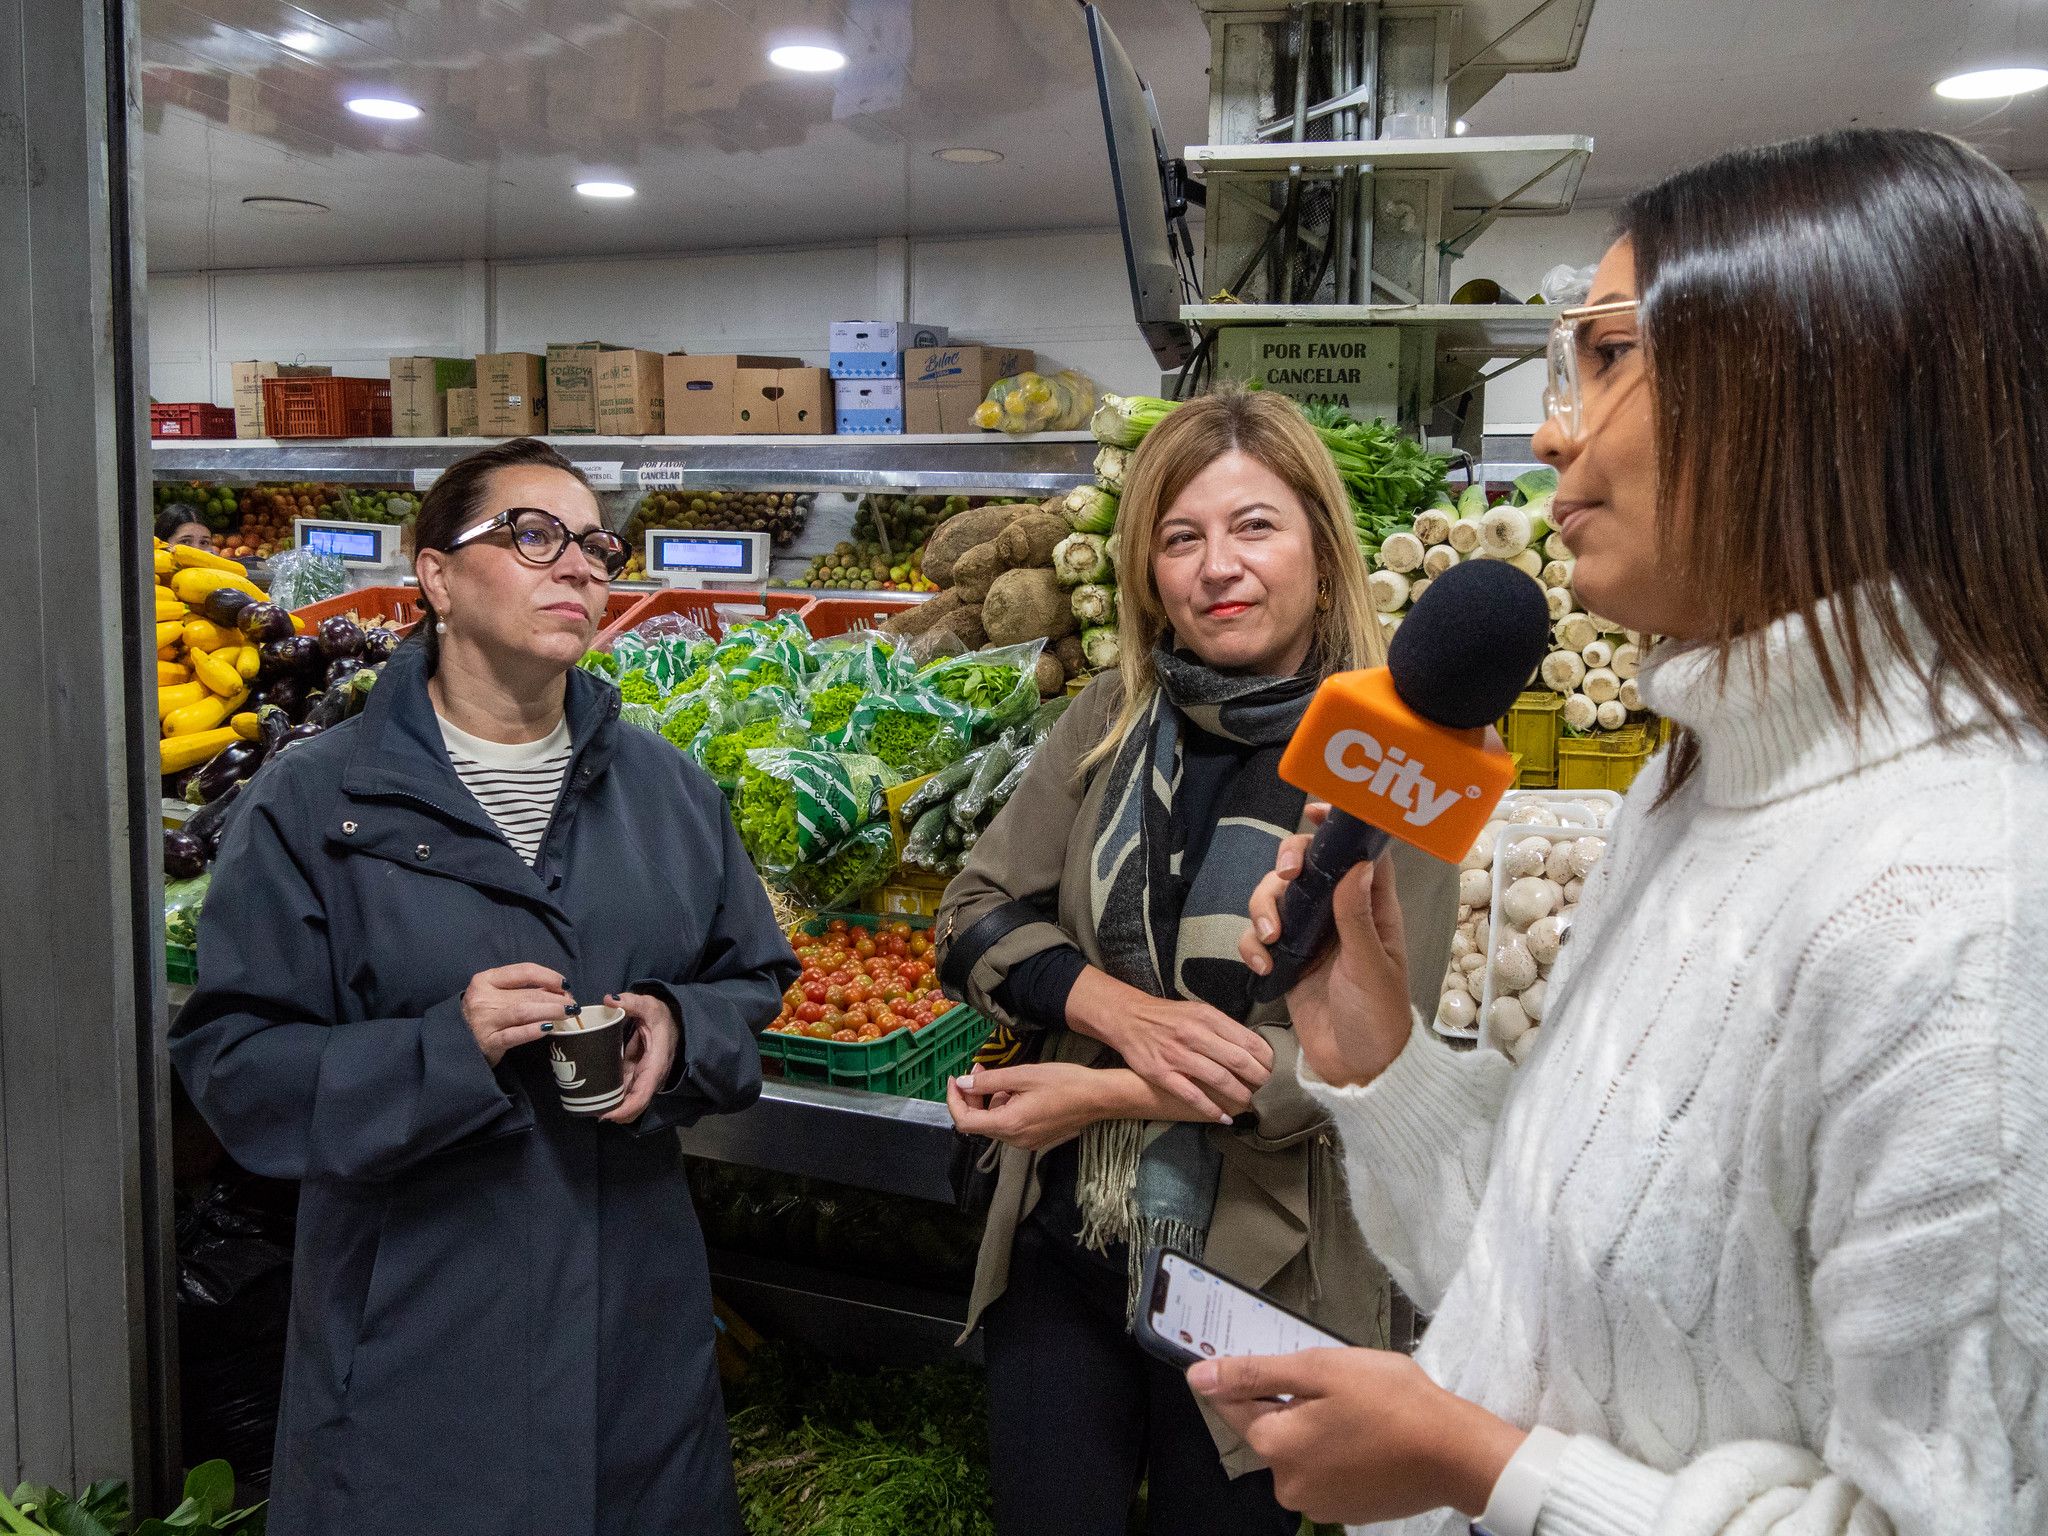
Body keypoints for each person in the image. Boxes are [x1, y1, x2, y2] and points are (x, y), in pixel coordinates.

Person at [1209, 128, 2048, 1536]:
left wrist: (1484, 1472)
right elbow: (1561, 1300)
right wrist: (1386, 1066)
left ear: (1813, 389)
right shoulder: (1693, 786)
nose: (1550, 433)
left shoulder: (1967, 914)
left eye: (1603, 356)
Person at [171, 437, 799, 1536]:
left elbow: (749, 981)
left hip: (633, 1336)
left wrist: (674, 1028)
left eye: (595, 545)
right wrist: (440, 1050)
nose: (578, 567)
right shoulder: (314, 803)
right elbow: (234, 1064)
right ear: (436, 577)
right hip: (416, 1338)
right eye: (530, 535)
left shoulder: (666, 790)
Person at [936, 389, 1459, 1536]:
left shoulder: (1391, 757)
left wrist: (1101, 1088)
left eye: (1254, 527)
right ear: (1145, 569)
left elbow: (1367, 1058)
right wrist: (1121, 1012)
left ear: (1321, 548)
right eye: (1181, 538)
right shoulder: (1108, 719)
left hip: (1263, 1269)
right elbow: (973, 911)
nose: (1216, 568)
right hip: (1065, 1241)